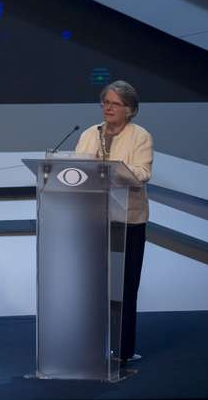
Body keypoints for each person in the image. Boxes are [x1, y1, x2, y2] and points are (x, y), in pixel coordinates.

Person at [75, 80, 153, 361]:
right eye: (105, 102)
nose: (107, 107)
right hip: (94, 219)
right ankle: (93, 345)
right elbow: (77, 170)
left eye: (115, 103)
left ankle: (123, 350)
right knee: (94, 285)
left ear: (130, 110)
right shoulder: (89, 134)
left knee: (125, 286)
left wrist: (111, 171)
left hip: (128, 220)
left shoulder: (140, 136)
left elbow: (143, 172)